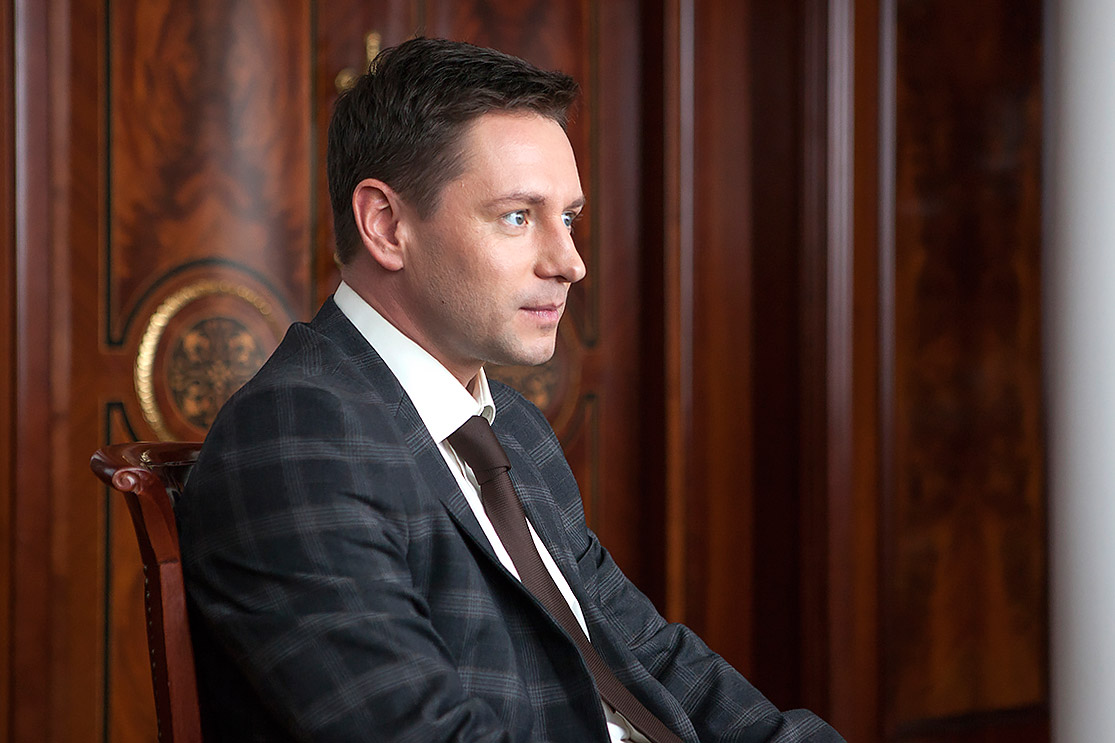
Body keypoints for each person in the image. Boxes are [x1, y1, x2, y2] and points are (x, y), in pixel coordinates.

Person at [177, 37, 844, 743]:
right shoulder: (295, 438)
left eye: (568, 218)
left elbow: (647, 653)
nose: (570, 262)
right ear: (386, 225)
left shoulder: (511, 426)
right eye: (518, 217)